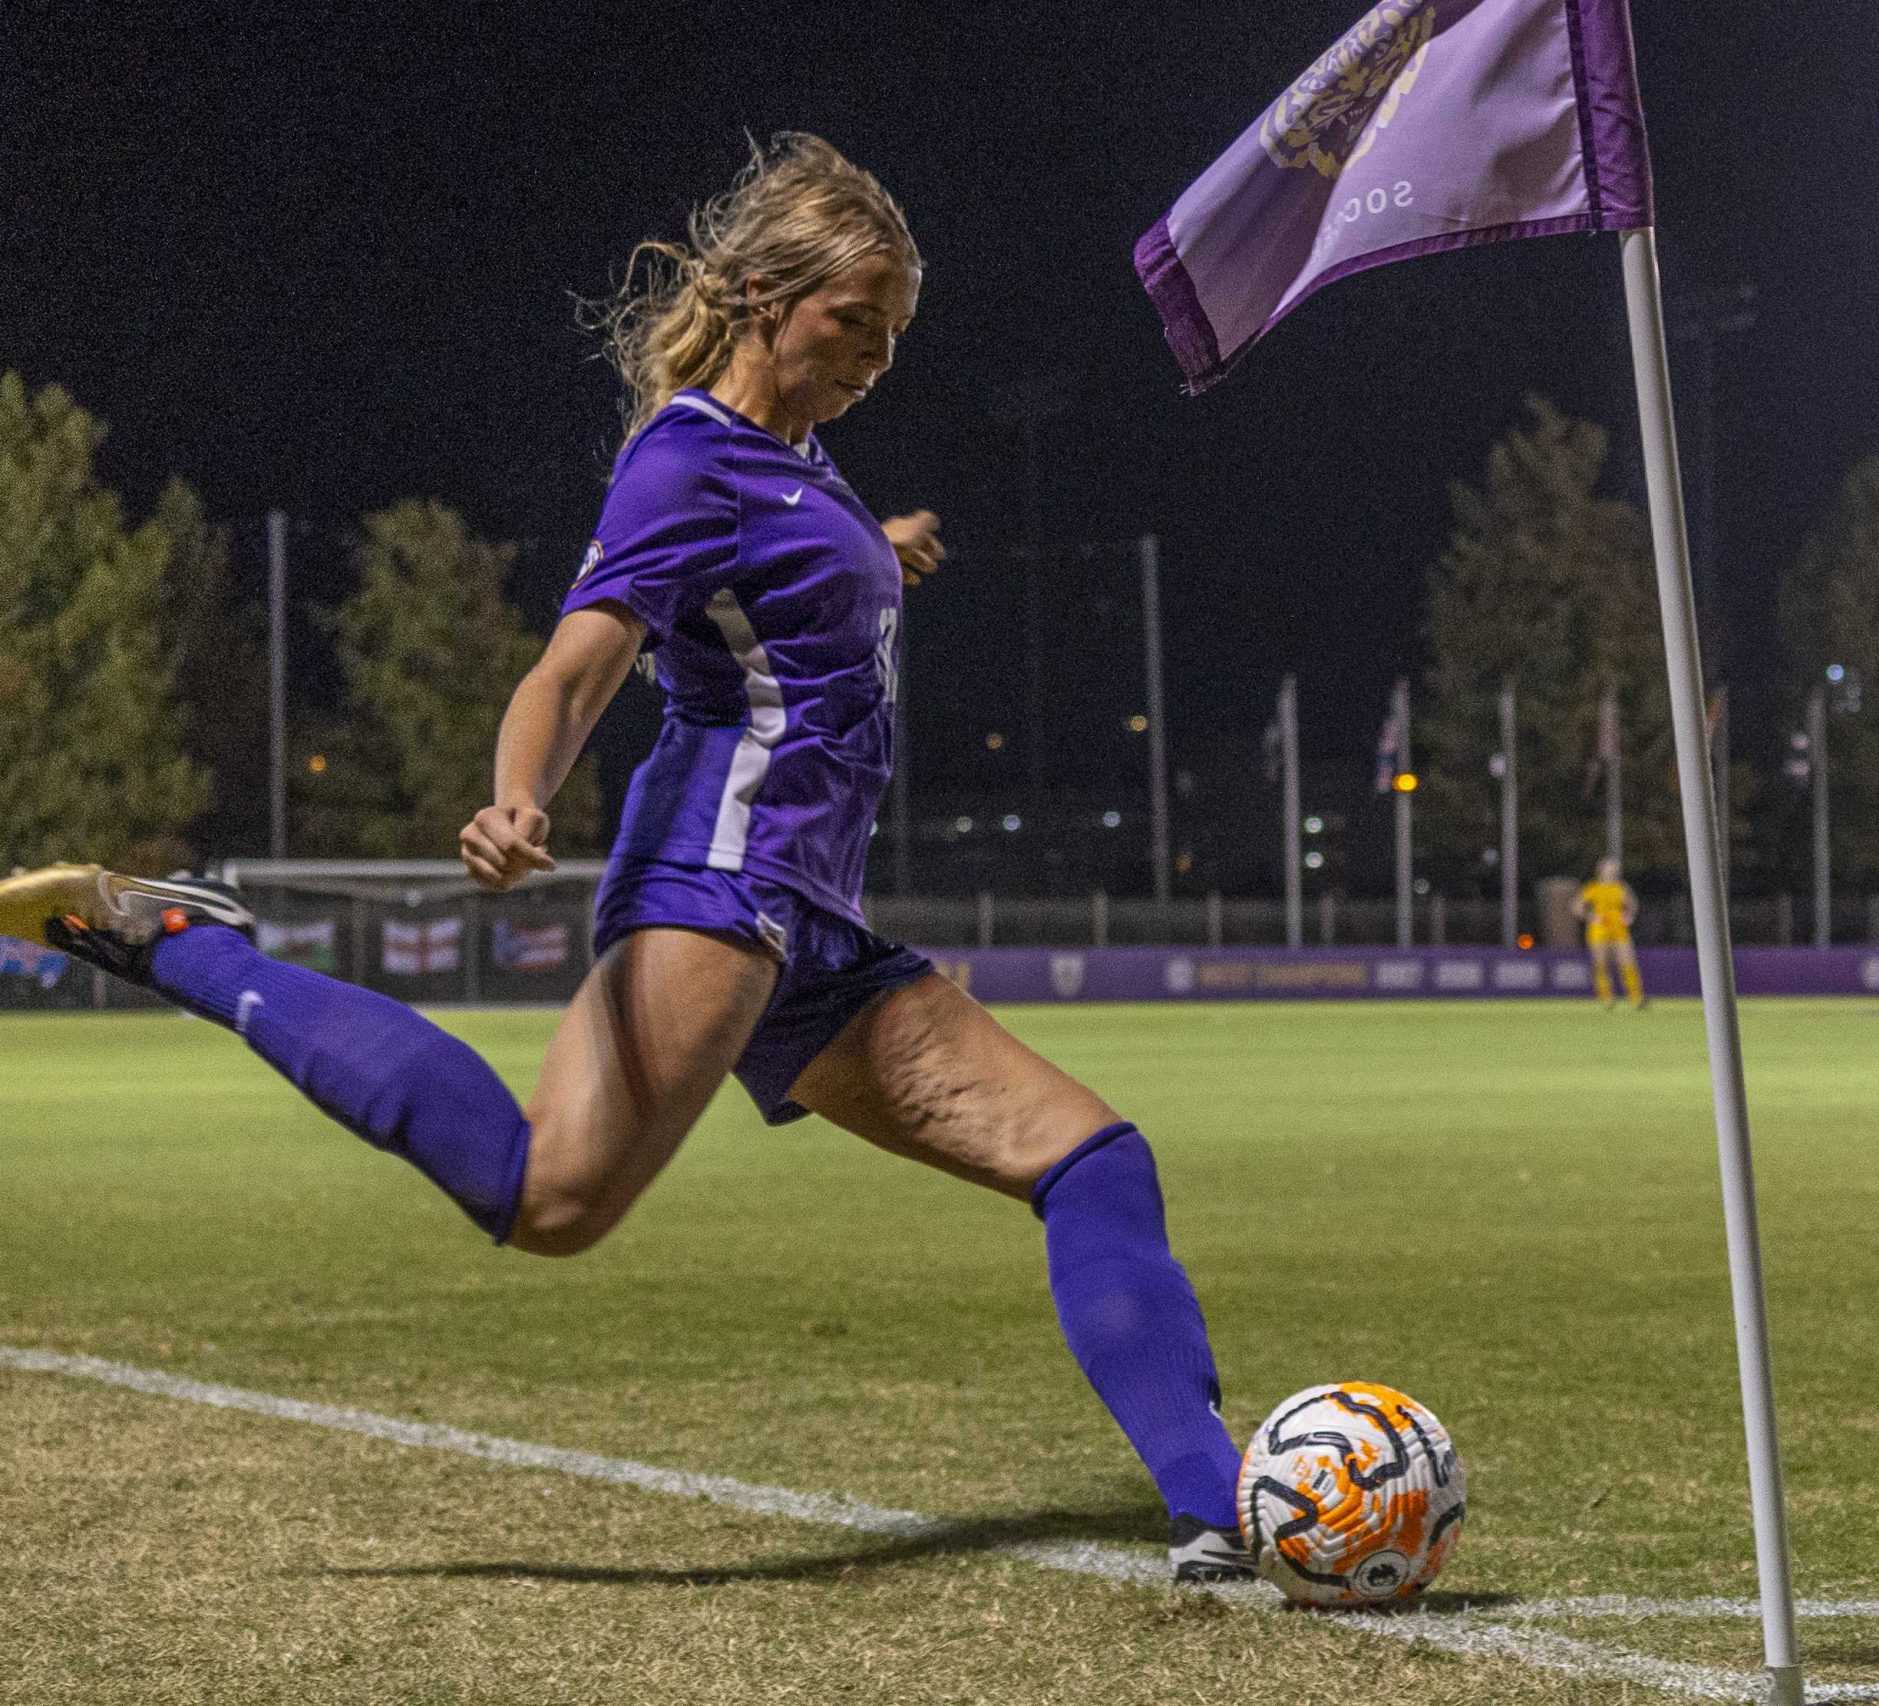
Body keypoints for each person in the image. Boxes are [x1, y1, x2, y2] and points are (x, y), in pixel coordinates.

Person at [0, 134, 1252, 1583]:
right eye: (858, 322)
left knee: (1093, 1158)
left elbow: (783, 582)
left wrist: (873, 543)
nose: (881, 355)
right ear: (766, 296)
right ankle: (180, 942)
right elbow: (578, 665)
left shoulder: (799, 459)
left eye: (897, 332)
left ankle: (1217, 1507)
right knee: (553, 1198)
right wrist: (515, 792)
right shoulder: (684, 462)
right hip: (718, 874)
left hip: (807, 910)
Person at [1575, 857, 1644, 1008]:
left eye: (1615, 868)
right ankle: (1606, 998)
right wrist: (1591, 917)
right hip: (1599, 930)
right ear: (1601, 870)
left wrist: (1629, 915)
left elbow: (1632, 904)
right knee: (1601, 964)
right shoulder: (1592, 887)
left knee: (1628, 962)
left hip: (1619, 929)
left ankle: (1636, 998)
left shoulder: (1621, 888)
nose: (1613, 870)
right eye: (1609, 867)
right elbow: (1577, 906)